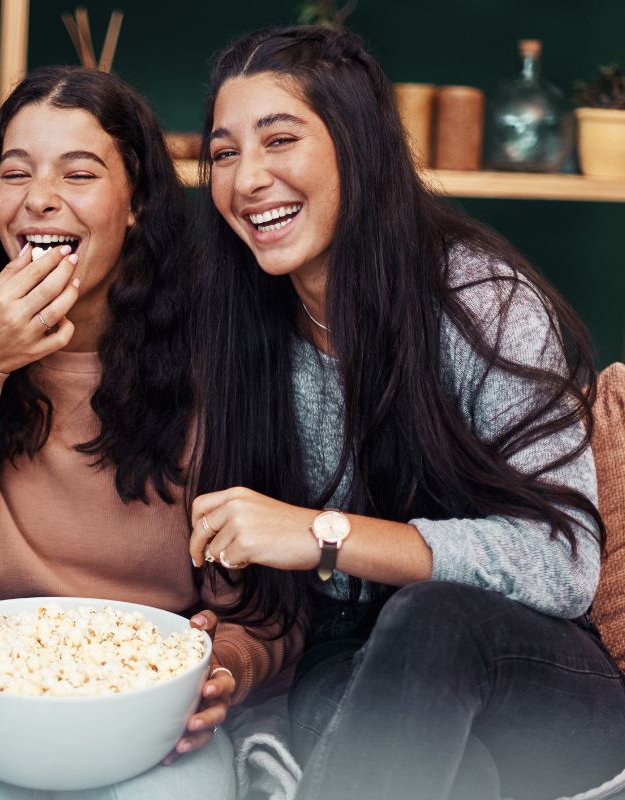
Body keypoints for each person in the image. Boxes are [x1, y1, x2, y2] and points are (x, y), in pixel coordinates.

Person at [185, 25, 625, 800]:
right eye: (224, 153)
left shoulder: (477, 302)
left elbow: (562, 564)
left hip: (531, 670)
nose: (248, 179)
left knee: (430, 620)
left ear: (358, 147)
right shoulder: (238, 329)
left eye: (278, 139)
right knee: (459, 778)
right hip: (350, 663)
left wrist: (322, 534)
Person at [0, 65, 293, 799]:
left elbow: (261, 607)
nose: (40, 202)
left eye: (79, 174)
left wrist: (230, 667)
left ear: (137, 203)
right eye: (15, 173)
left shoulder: (214, 351)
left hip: (143, 718)